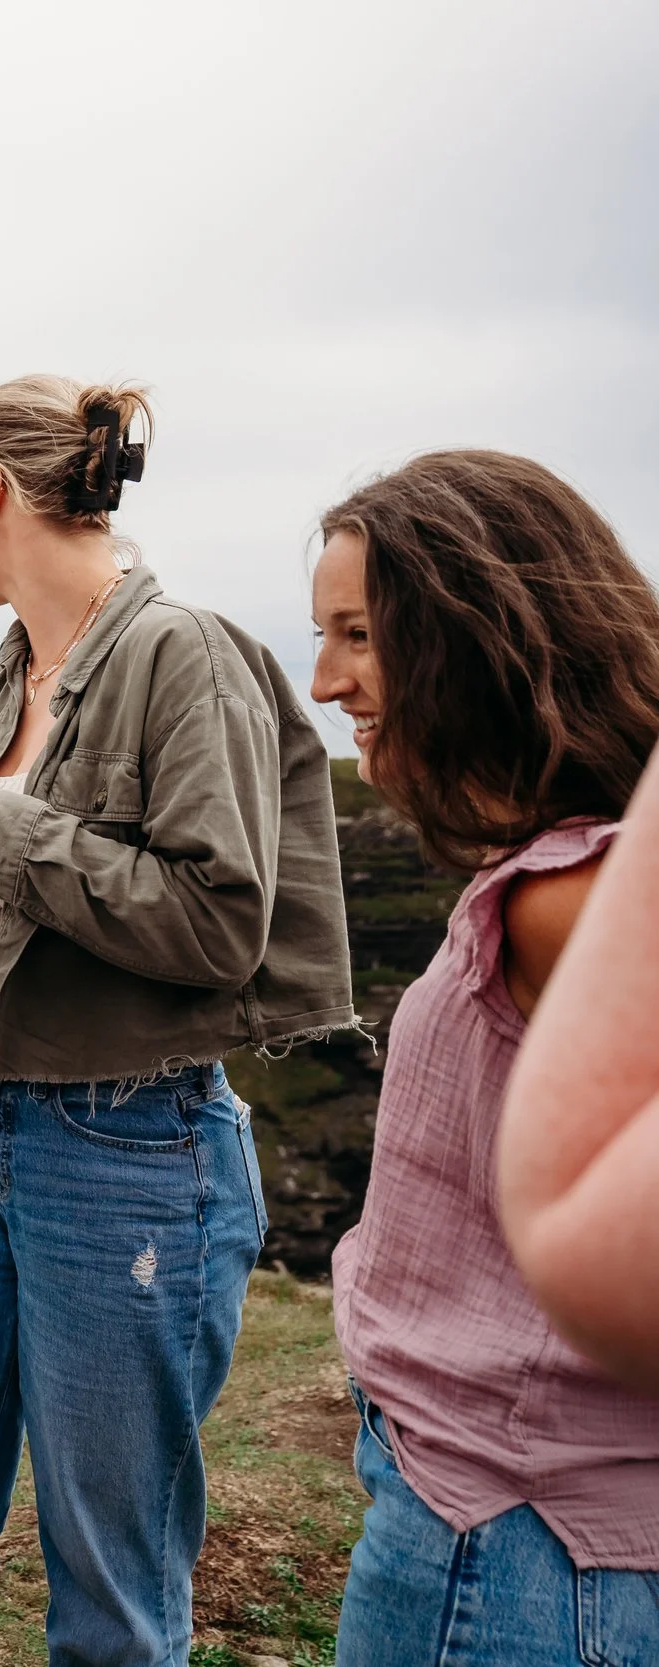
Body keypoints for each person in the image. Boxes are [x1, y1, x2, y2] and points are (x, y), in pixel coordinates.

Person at [0, 376, 353, 1667]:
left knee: (109, 1578)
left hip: (124, 1141)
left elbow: (213, 923)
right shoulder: (5, 671)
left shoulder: (185, 653)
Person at [310, 451, 659, 1665]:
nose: (323, 680)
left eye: (357, 634)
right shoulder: (568, 877)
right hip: (473, 1497)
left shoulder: (575, 902)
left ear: (472, 631)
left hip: (514, 1543)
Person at [501, 761, 659, 1396]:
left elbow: (602, 1269)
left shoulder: (557, 896)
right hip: (429, 1422)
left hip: (518, 1456)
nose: (322, 689)